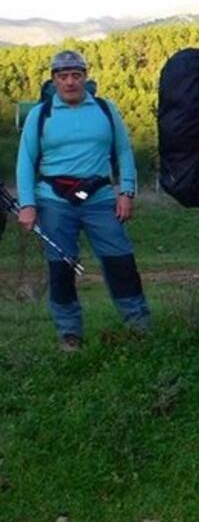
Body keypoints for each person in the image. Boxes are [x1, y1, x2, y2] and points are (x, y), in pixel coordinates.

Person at [15, 50, 150, 351]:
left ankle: (139, 326)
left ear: (85, 77)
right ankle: (69, 333)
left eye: (76, 75)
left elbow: (123, 151)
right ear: (54, 80)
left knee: (121, 262)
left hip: (100, 199)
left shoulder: (104, 109)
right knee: (61, 268)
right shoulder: (40, 114)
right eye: (63, 76)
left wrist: (127, 191)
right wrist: (27, 204)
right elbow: (25, 161)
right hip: (54, 201)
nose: (70, 82)